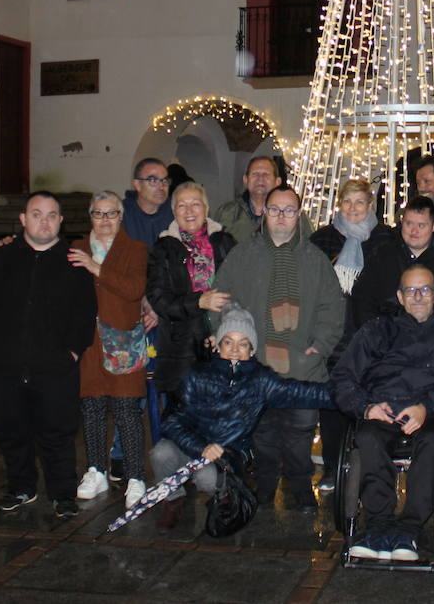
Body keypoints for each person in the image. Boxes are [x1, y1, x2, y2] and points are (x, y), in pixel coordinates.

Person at [333, 265, 434, 561]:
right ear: (400, 297)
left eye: (425, 290)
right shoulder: (377, 330)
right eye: (411, 291)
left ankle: (409, 530)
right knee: (368, 437)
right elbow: (342, 377)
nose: (418, 297)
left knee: (432, 443)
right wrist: (366, 407)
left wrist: (428, 407)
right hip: (385, 407)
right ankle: (377, 526)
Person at [211, 185, 343, 509]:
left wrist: (320, 346)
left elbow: (333, 308)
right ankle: (266, 485)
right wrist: (229, 345)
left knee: (300, 431)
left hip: (303, 364)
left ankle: (300, 486)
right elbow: (221, 301)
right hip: (258, 363)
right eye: (275, 210)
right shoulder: (243, 255)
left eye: (288, 210)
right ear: (264, 213)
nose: (281, 216)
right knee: (263, 430)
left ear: (298, 215)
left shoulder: (315, 260)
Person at [0, 192, 97, 518]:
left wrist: (70, 351)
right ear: (23, 219)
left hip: (53, 367)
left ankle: (62, 493)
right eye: (37, 214)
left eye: (52, 215)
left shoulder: (73, 262)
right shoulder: (1, 258)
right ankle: (20, 488)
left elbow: (84, 313)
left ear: (61, 221)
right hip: (3, 364)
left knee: (57, 433)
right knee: (11, 431)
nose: (44, 221)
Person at [151, 306, 332, 531]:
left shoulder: (260, 380)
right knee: (161, 453)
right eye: (228, 342)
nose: (235, 350)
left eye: (243, 343)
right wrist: (201, 446)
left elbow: (302, 392)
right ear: (218, 345)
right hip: (194, 444)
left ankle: (225, 496)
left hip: (226, 455)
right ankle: (173, 500)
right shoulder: (197, 375)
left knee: (206, 476)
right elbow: (171, 420)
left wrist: (350, 396)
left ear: (252, 349)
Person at [68, 190, 154, 510]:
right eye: (98, 214)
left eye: (111, 214)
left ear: (121, 217)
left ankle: (135, 475)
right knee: (90, 408)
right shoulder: (75, 249)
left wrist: (96, 267)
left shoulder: (135, 249)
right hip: (89, 342)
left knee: (126, 410)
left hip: (122, 342)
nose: (105, 221)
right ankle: (96, 470)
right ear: (90, 217)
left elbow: (134, 290)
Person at [309, 179, 394, 490]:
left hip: (369, 336)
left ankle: (367, 469)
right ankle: (333, 467)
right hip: (333, 335)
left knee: (367, 404)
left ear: (370, 206)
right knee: (333, 406)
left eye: (360, 203)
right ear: (339, 205)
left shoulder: (384, 239)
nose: (354, 209)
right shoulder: (323, 240)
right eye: (348, 202)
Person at [147, 182, 238, 397]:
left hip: (224, 346)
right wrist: (198, 302)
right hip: (180, 352)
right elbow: (158, 299)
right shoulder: (163, 248)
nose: (189, 211)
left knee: (222, 422)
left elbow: (243, 289)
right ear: (173, 212)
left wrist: (227, 327)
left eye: (195, 204)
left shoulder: (225, 242)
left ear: (206, 208)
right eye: (181, 205)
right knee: (183, 423)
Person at [350, 196, 434, 330]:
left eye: (421, 225)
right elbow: (362, 302)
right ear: (402, 222)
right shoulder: (382, 257)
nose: (414, 231)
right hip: (383, 339)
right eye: (409, 224)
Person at [214, 155, 287, 243]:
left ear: (277, 182)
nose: (260, 178)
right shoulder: (227, 212)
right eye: (255, 174)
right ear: (245, 180)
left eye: (266, 174)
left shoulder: (291, 215)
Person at [124, 157, 175, 247]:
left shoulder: (176, 211)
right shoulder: (121, 214)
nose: (161, 186)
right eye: (153, 180)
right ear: (137, 185)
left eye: (165, 180)